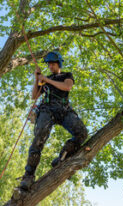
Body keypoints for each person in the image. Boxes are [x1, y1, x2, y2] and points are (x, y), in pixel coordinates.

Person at [20, 51, 88, 190]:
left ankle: (63, 156)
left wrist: (47, 79)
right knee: (39, 137)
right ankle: (28, 175)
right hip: (47, 109)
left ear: (59, 63)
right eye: (49, 64)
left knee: (82, 133)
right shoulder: (45, 79)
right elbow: (34, 96)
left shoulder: (66, 75)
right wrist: (37, 79)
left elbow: (67, 86)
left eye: (52, 63)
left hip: (64, 109)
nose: (50, 66)